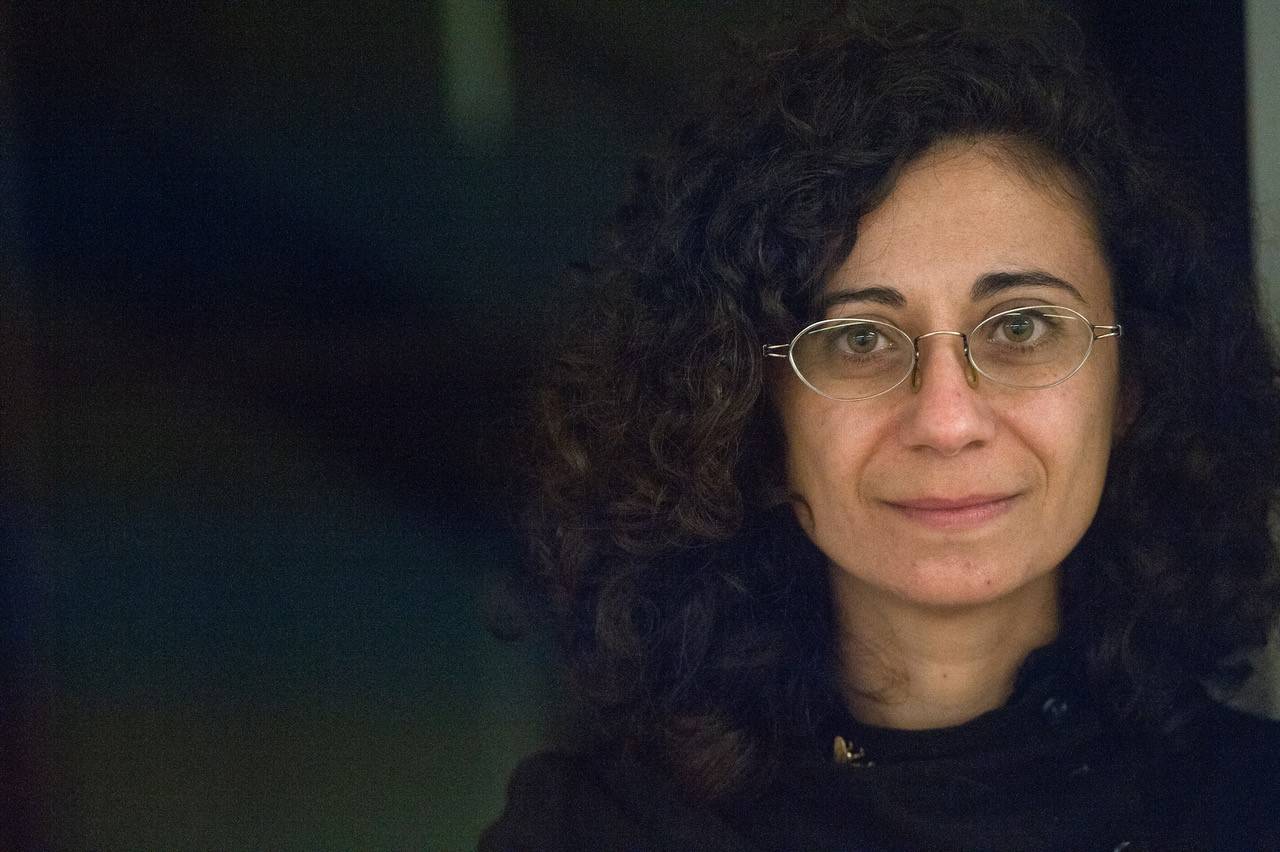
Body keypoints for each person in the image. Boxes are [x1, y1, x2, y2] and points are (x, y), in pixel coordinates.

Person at [481, 2, 1280, 849]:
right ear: (744, 405)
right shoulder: (592, 831)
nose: (948, 420)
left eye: (1020, 327)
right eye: (859, 339)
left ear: (1131, 385)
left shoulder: (1255, 808)